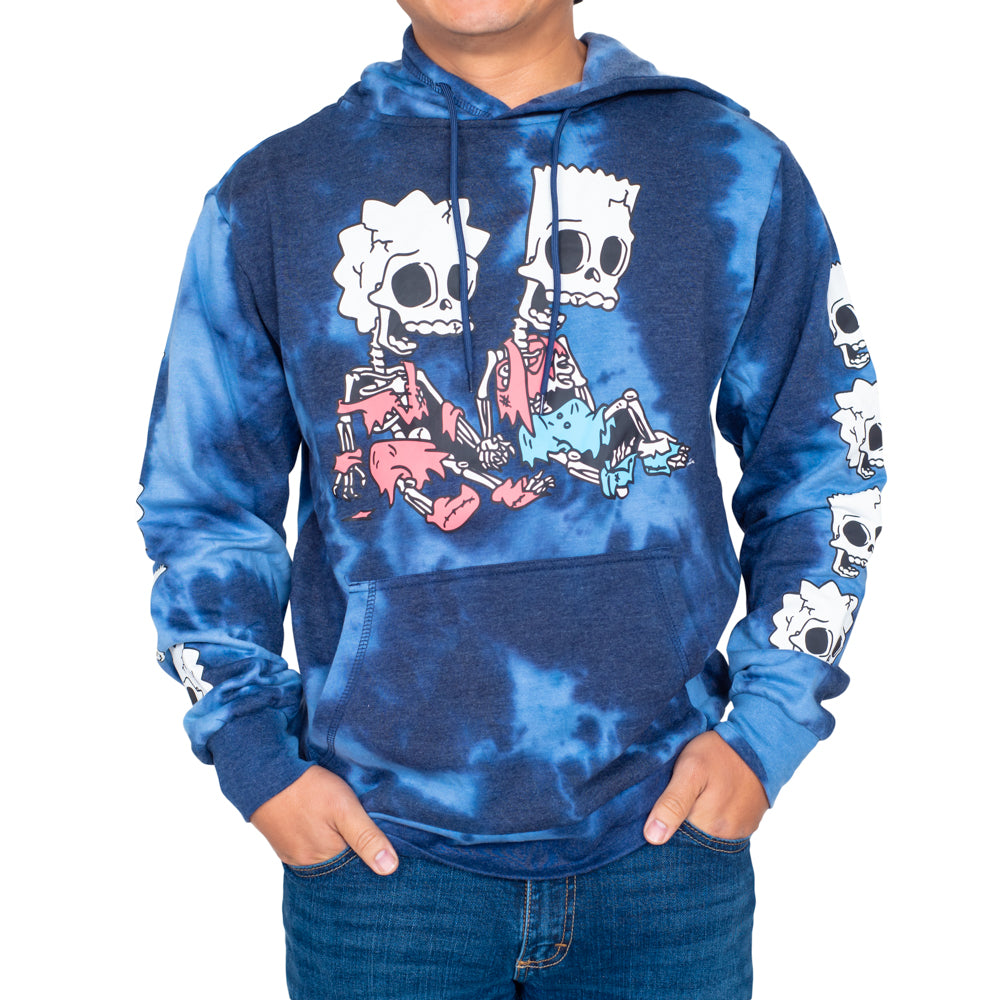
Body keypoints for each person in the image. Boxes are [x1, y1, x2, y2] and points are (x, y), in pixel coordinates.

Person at [138, 1, 885, 996]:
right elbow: (204, 503)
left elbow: (826, 456)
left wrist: (767, 731)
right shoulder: (273, 194)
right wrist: (254, 757)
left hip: (665, 845)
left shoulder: (727, 168)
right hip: (380, 863)